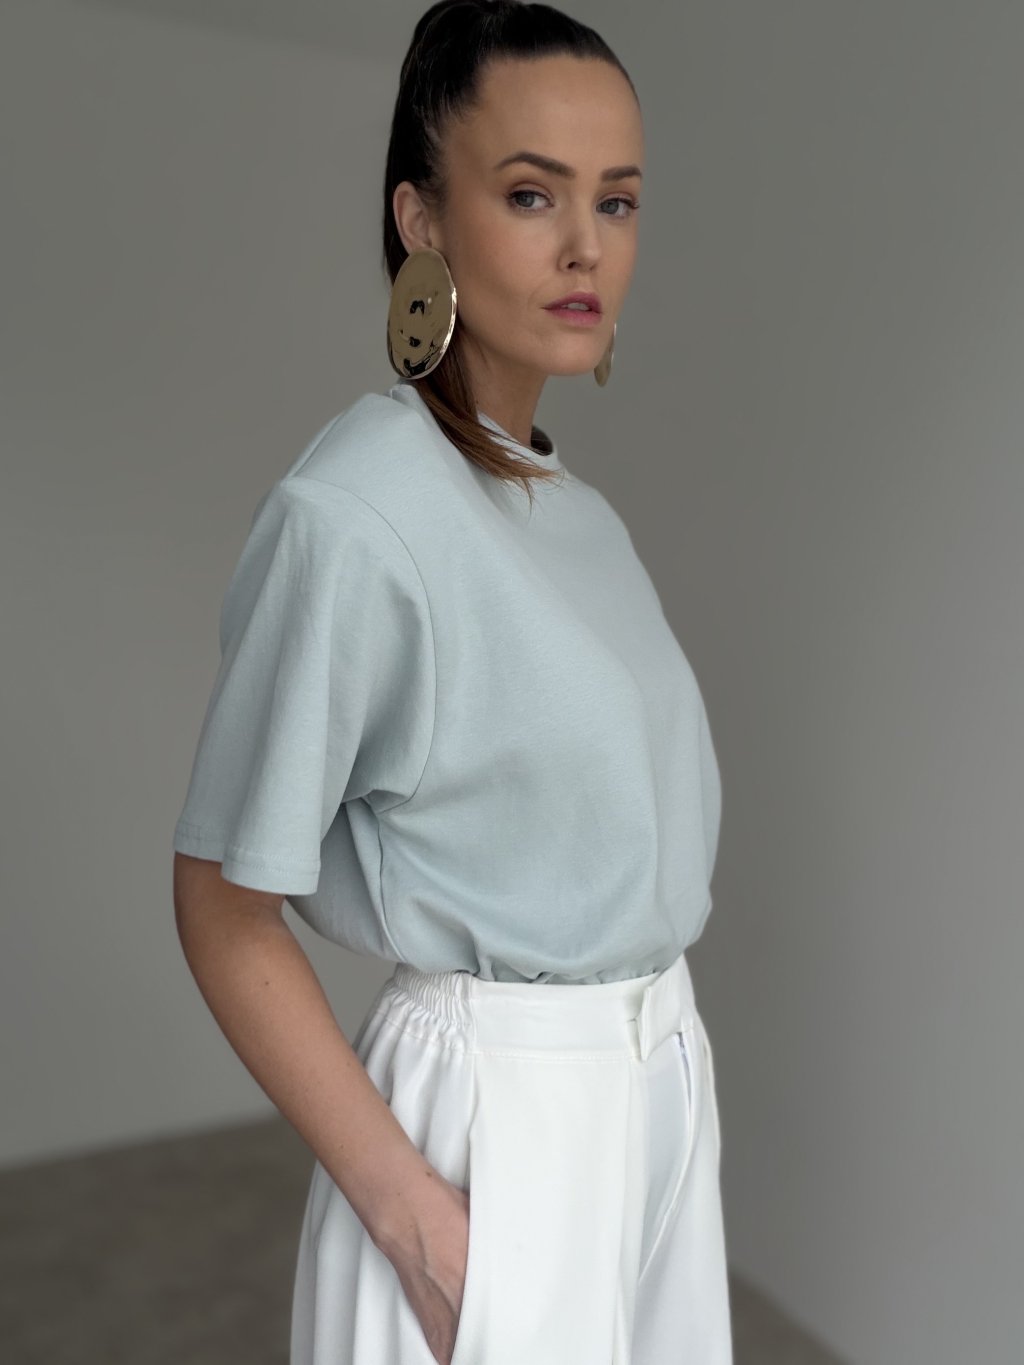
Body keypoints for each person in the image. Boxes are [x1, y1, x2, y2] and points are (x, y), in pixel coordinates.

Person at [171, 2, 732, 1362]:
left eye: (617, 200)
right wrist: (420, 1221)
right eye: (532, 193)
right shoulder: (355, 514)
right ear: (421, 220)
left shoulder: (576, 512)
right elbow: (223, 903)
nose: (585, 244)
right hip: (493, 1130)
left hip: (659, 1088)